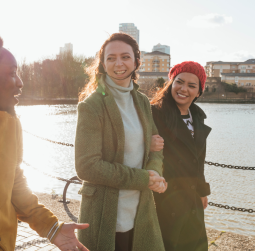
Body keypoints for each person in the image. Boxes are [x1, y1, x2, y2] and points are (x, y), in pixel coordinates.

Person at [0, 30, 89, 251]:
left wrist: (52, 228)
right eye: (12, 74)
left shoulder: (11, 122)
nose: (20, 82)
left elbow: (15, 184)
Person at [75, 33, 167, 251]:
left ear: (136, 62)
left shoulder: (142, 101)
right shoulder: (92, 106)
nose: (119, 63)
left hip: (140, 210)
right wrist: (143, 178)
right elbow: (87, 167)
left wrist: (154, 174)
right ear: (103, 63)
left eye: (125, 57)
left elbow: (156, 147)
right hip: (105, 213)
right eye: (111, 58)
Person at [150, 61, 212, 251]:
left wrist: (202, 191)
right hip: (165, 199)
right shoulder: (154, 112)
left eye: (192, 85)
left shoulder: (198, 117)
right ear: (171, 83)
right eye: (179, 82)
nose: (183, 89)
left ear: (199, 92)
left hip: (192, 197)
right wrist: (146, 144)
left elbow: (197, 161)